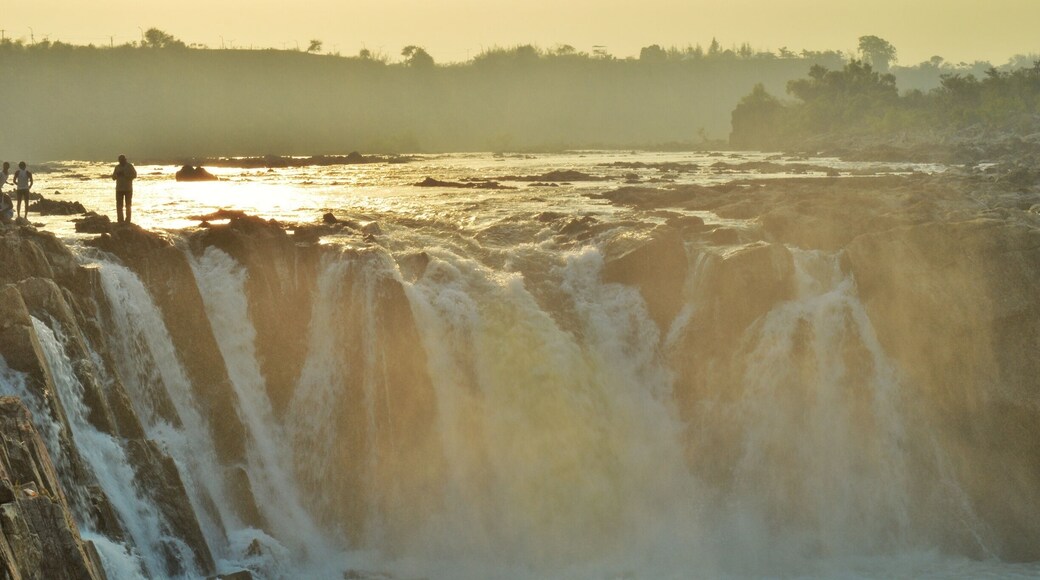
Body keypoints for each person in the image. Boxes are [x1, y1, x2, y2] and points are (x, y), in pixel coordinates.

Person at [111, 154, 137, 224]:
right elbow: (113, 177)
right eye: (120, 160)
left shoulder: (129, 166)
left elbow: (135, 175)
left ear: (125, 160)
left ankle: (128, 220)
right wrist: (117, 175)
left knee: (128, 205)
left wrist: (126, 175)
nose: (121, 161)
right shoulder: (117, 167)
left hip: (128, 189)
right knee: (119, 205)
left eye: (122, 160)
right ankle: (120, 220)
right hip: (119, 189)